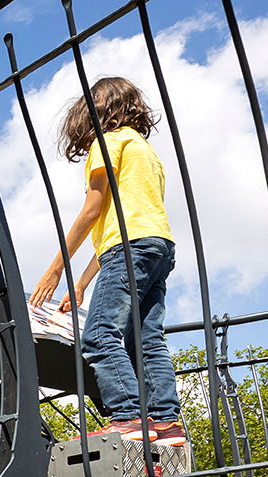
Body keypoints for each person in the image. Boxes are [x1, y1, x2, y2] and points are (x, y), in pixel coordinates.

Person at [28, 76, 185, 447]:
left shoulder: (107, 141)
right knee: (147, 339)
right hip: (157, 246)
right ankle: (167, 422)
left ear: (96, 111)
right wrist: (81, 283)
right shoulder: (144, 150)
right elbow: (123, 223)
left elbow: (92, 211)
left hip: (129, 249)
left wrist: (55, 270)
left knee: (99, 336)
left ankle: (129, 418)